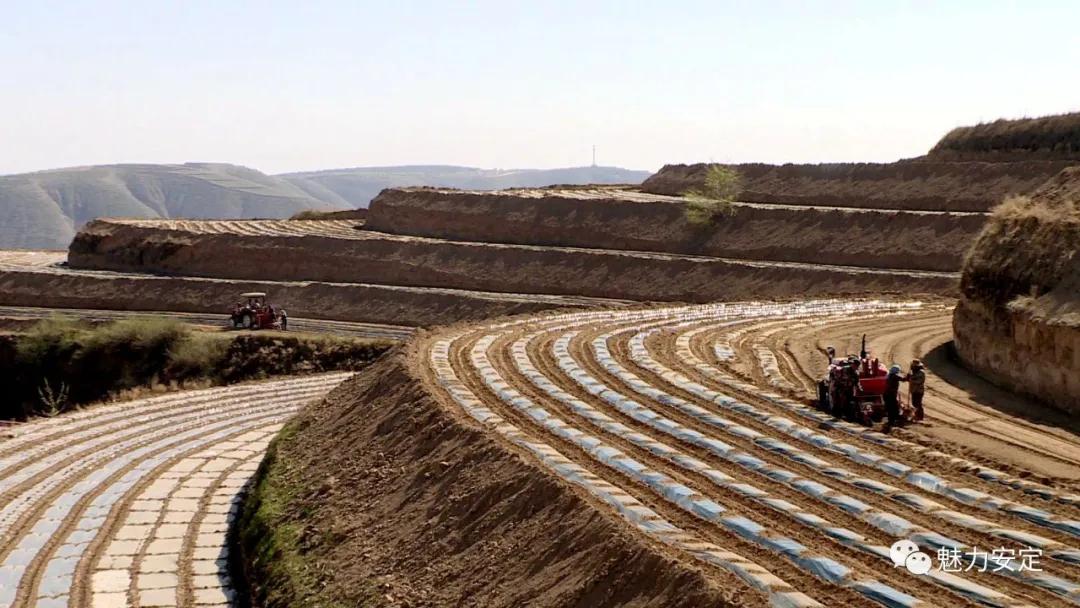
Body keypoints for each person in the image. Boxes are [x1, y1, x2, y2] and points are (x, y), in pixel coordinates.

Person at [884, 364, 908, 429]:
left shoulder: (888, 376)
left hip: (887, 394)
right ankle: (893, 421)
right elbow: (903, 379)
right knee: (894, 408)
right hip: (891, 395)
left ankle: (891, 421)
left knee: (890, 408)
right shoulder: (894, 376)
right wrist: (908, 376)